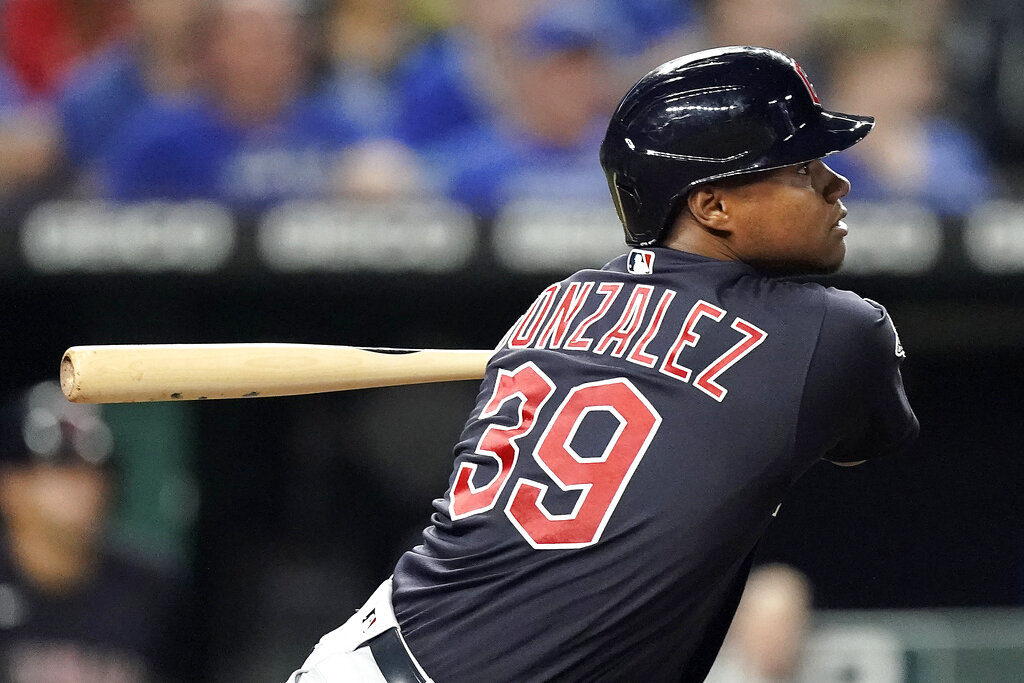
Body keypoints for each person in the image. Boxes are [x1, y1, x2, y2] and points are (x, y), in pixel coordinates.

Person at [286, 46, 919, 682]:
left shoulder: (556, 303)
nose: (838, 184)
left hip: (376, 647)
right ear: (712, 207)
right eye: (803, 169)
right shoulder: (834, 329)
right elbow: (864, 440)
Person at [0, 380, 192, 681]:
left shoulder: (151, 590)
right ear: (10, 484)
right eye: (61, 468)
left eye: (95, 470)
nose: (84, 487)